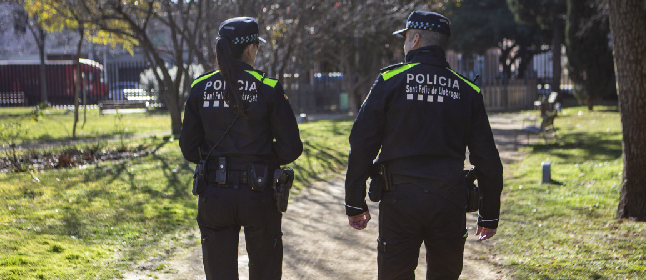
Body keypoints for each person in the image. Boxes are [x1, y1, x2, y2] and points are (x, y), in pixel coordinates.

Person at [344, 11, 504, 280]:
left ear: (416, 39)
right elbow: (487, 158)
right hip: (449, 201)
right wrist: (489, 215)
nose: (404, 45)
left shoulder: (389, 81)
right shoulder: (467, 91)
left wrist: (354, 203)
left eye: (406, 39)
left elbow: (361, 144)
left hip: (399, 202)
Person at [179, 17, 303, 280]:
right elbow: (291, 148)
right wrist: (263, 160)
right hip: (259, 195)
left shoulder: (200, 88)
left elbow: (189, 148)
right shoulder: (268, 88)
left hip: (214, 195)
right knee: (266, 272)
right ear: (250, 49)